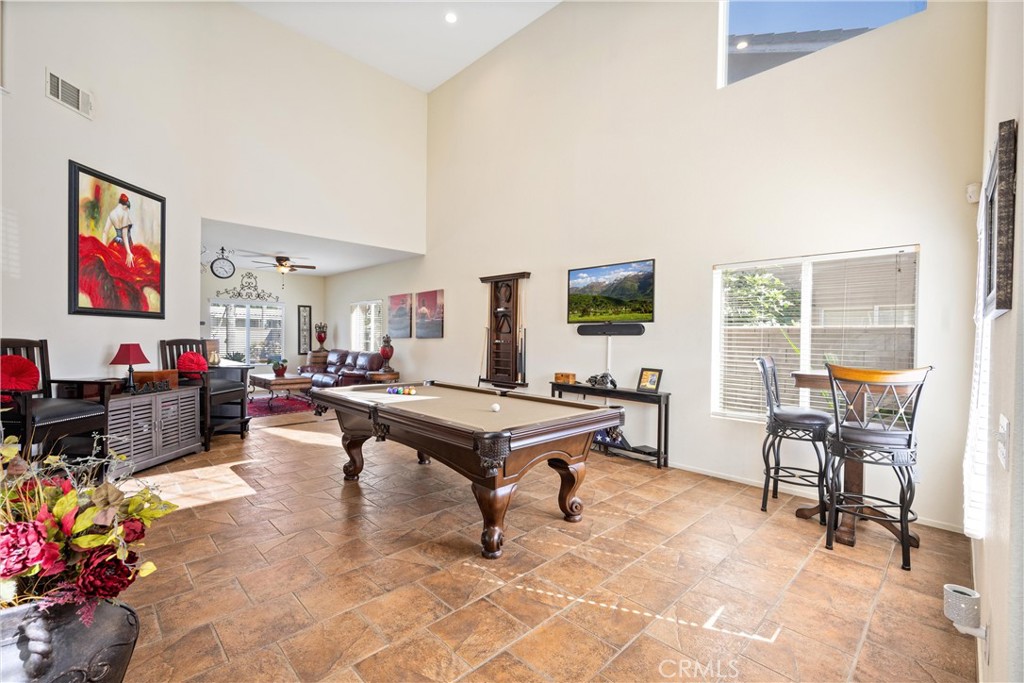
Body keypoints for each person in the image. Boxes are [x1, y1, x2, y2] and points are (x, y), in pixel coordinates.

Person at [105, 193, 135, 267]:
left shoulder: (111, 214)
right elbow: (125, 235)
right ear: (125, 206)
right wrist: (128, 252)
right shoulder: (124, 212)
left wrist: (104, 248)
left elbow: (105, 232)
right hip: (125, 246)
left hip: (116, 244)